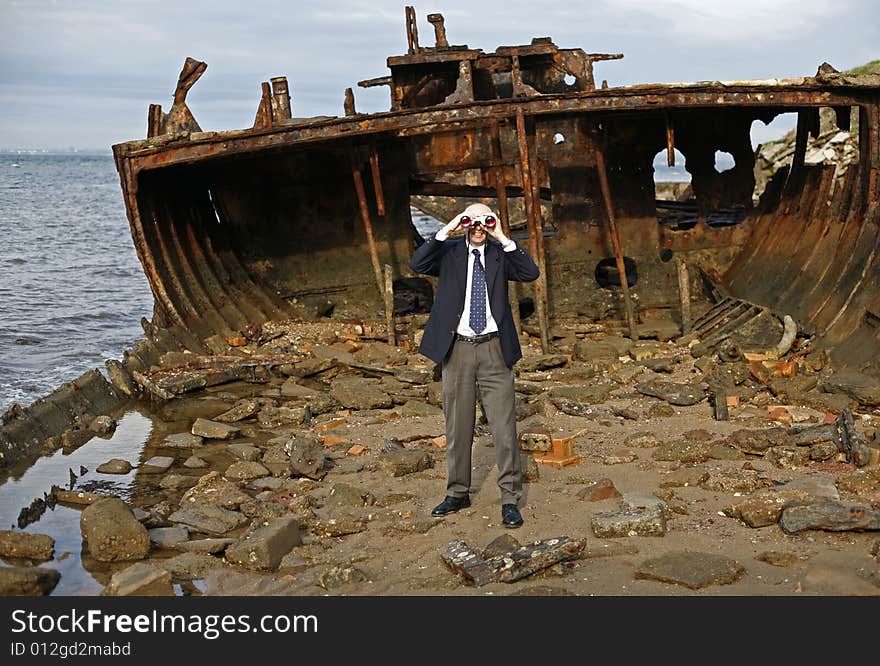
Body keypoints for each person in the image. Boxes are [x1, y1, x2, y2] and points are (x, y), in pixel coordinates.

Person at [409, 203, 540, 528]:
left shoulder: (499, 253)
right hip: (459, 349)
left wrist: (502, 235)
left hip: (495, 348)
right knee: (457, 426)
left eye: (484, 221)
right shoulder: (450, 252)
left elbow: (530, 272)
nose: (478, 226)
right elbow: (417, 262)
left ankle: (510, 498)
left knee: (504, 429)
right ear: (464, 224)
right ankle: (457, 492)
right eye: (473, 221)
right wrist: (450, 226)